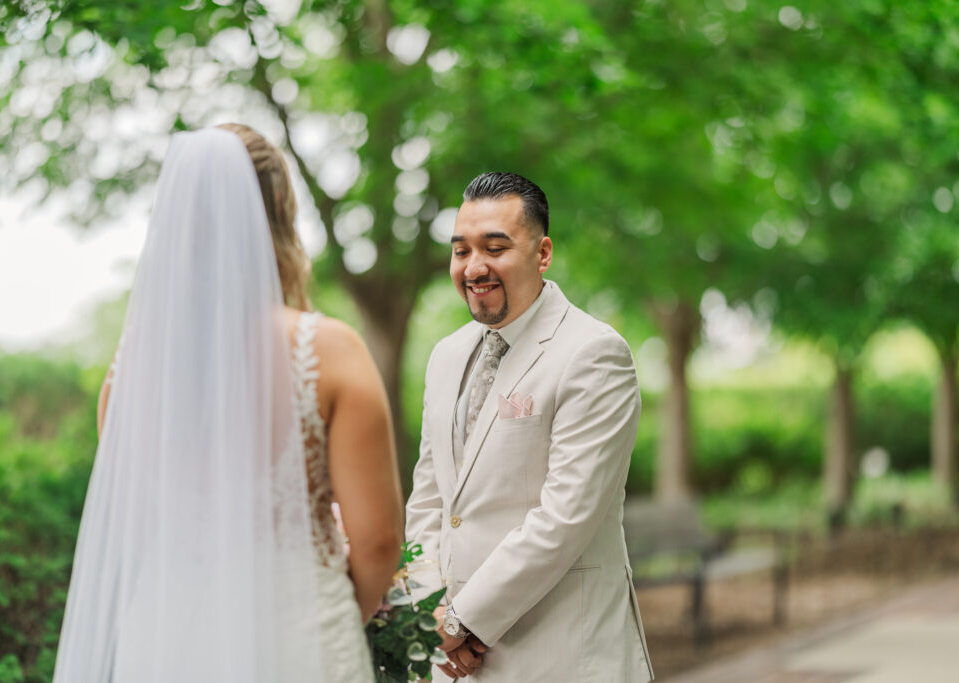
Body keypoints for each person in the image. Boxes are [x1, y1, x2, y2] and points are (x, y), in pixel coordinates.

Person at [54, 125, 403, 682]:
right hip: (299, 639)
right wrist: (333, 614)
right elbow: (379, 539)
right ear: (283, 212)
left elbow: (132, 524)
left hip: (167, 641)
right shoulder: (330, 351)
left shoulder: (132, 370)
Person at [405, 172, 654, 682]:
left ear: (542, 254)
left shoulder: (593, 353)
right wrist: (428, 612)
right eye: (461, 251)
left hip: (561, 655)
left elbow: (565, 517)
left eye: (495, 248)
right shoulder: (446, 355)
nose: (474, 267)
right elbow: (430, 502)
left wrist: (461, 619)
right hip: (457, 663)